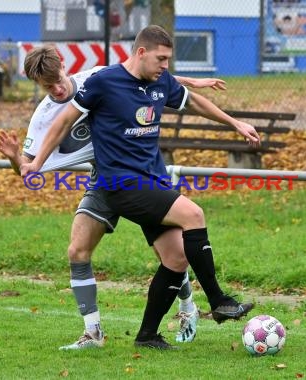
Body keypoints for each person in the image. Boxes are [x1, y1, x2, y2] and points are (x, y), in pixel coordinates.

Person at [21, 26, 258, 349]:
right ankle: (217, 300)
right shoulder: (103, 82)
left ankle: (147, 335)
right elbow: (63, 122)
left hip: (152, 179)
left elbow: (194, 103)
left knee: (175, 259)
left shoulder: (160, 81)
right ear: (141, 53)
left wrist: (235, 124)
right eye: (161, 58)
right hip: (119, 182)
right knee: (193, 214)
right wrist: (34, 164)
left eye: (168, 59)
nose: (165, 65)